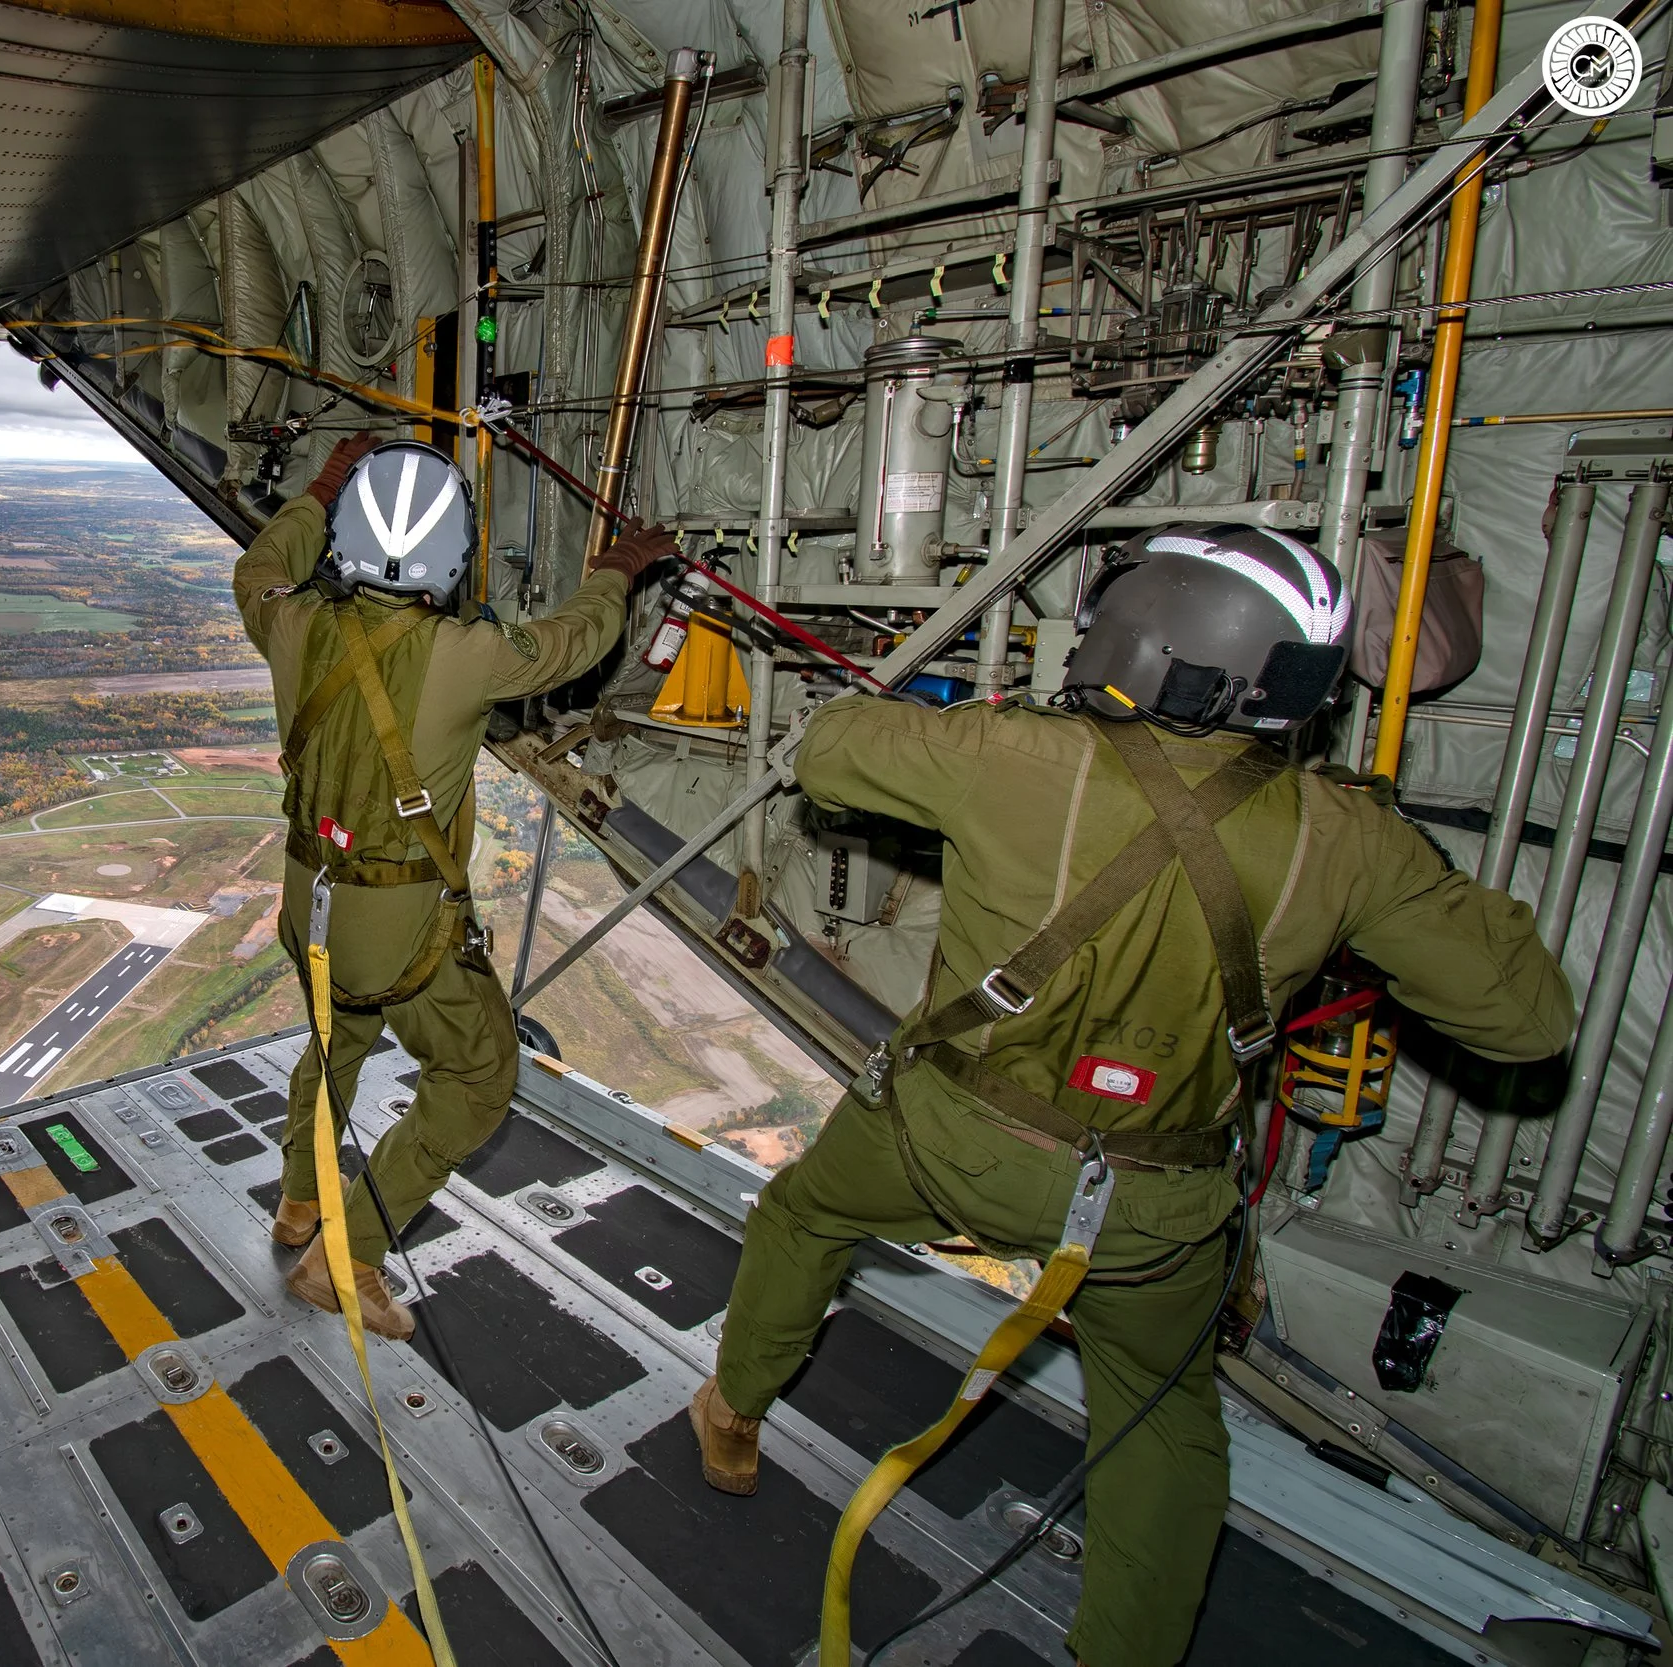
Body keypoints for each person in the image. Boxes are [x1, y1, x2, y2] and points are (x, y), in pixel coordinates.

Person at [688, 525, 1574, 1667]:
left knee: (806, 1217)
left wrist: (990, 719)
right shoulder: (1345, 837)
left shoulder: (1010, 758)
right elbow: (1527, 1017)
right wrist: (1395, 857)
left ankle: (734, 1415)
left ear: (1143, 638)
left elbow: (830, 749)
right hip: (1152, 1206)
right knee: (1161, 1423)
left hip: (945, 1136)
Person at [234, 434, 670, 1339]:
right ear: (452, 557)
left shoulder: (288, 621)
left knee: (336, 1034)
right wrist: (625, 562)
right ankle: (347, 1256)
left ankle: (298, 1201)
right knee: (478, 1072)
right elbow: (577, 639)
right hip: (399, 934)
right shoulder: (470, 653)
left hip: (307, 902)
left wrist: (321, 482)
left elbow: (266, 561)